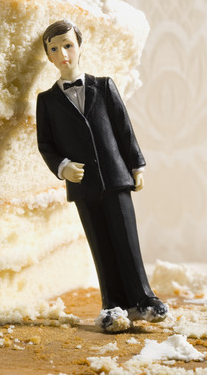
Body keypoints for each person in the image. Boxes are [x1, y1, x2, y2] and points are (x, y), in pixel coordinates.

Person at [35, 20, 167, 332]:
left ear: (79, 46)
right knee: (100, 245)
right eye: (54, 49)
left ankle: (144, 299)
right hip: (82, 185)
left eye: (67, 45)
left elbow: (124, 130)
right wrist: (63, 166)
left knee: (126, 240)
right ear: (49, 57)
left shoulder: (105, 86)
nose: (63, 53)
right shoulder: (47, 101)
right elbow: (46, 145)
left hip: (116, 176)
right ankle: (113, 304)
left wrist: (137, 166)